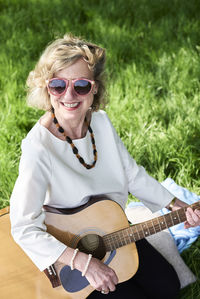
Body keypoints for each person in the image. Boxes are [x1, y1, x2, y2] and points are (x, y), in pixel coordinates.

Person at [10, 33, 200, 299]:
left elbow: (131, 174)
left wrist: (175, 205)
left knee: (167, 286)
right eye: (58, 85)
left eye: (81, 86)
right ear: (46, 88)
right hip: (67, 255)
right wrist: (85, 263)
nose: (69, 95)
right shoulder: (38, 147)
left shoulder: (100, 123)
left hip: (111, 231)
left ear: (95, 88)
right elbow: (23, 228)